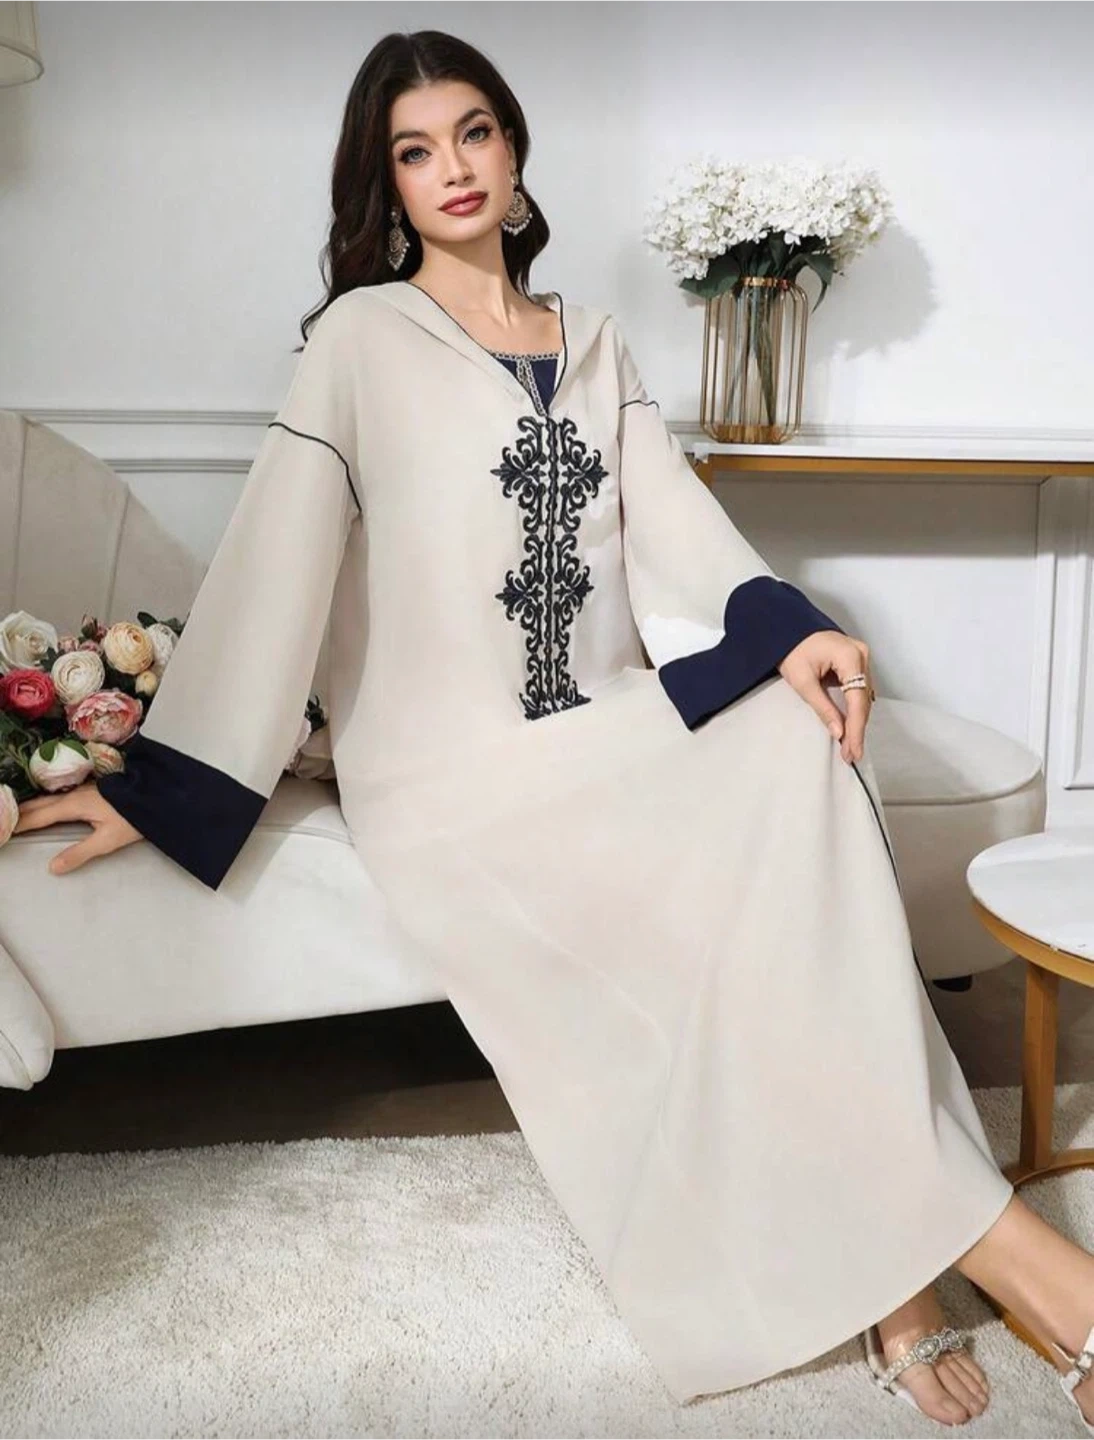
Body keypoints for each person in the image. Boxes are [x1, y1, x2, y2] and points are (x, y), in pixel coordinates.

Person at [13, 28, 1094, 1432]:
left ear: (514, 149)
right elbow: (276, 562)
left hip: (598, 728)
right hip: (447, 770)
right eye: (415, 151)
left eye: (473, 132)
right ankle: (1032, 1274)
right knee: (772, 798)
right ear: (388, 187)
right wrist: (162, 785)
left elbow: (679, 527)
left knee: (795, 739)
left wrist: (793, 630)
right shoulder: (360, 341)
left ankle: (895, 1272)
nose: (452, 168)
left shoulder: (594, 342)